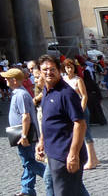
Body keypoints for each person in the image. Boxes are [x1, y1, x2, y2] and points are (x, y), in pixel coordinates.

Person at [36, 55, 89, 195]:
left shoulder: (67, 94)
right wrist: (41, 141)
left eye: (52, 69)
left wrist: (73, 154)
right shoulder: (47, 91)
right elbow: (47, 119)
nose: (48, 72)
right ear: (40, 72)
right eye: (45, 69)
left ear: (59, 70)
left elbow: (80, 124)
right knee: (59, 186)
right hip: (53, 152)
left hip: (65, 155)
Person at [1, 67, 45, 196]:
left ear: (14, 80)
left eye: (7, 78)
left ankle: (52, 176)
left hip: (24, 134)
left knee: (28, 162)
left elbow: (26, 116)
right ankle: (27, 190)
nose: (5, 79)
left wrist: (24, 136)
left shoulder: (21, 94)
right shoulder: (18, 93)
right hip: (21, 133)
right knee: (28, 162)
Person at [62, 59, 99, 170]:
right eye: (67, 67)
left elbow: (84, 96)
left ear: (74, 68)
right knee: (73, 134)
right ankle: (86, 157)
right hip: (68, 110)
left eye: (71, 67)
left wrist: (81, 109)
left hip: (79, 109)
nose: (69, 69)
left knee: (86, 133)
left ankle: (92, 160)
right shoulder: (63, 80)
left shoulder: (78, 80)